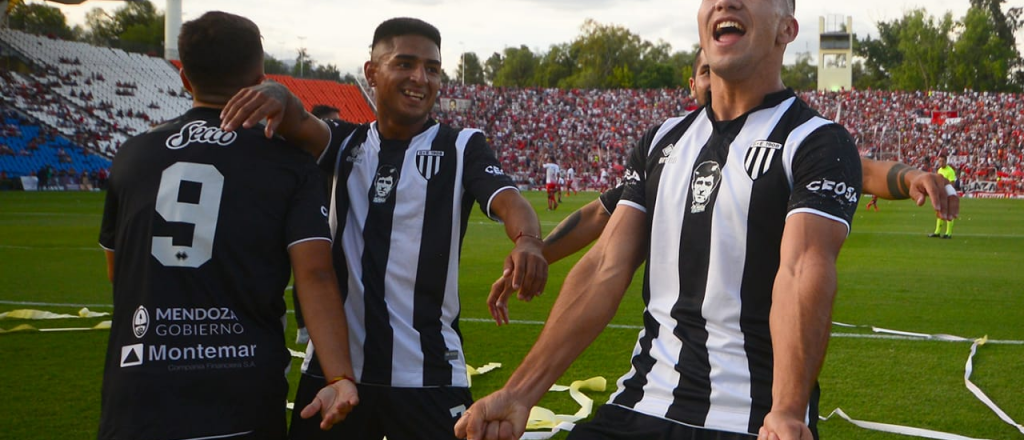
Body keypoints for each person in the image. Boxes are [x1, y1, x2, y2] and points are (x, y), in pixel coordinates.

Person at [459, 1, 862, 439]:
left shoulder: (815, 140)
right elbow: (604, 268)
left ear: (786, 30)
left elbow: (802, 271)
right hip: (642, 403)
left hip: (752, 420)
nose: (725, 2)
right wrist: (519, 393)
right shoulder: (661, 141)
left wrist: (787, 410)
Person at [219, 17, 548, 440]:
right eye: (405, 64)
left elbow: (510, 201)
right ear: (371, 72)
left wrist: (528, 241)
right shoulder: (342, 143)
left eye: (432, 68)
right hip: (334, 374)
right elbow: (296, 119)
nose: (420, 78)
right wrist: (278, 91)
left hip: (428, 372)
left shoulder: (461, 146)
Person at [488, 47, 960, 321]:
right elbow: (600, 213)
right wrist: (536, 256)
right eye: (704, 72)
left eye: (719, 70)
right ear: (692, 84)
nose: (713, 79)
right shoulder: (667, 148)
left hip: (754, 350)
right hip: (669, 362)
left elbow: (863, 169)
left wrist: (911, 176)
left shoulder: (783, 136)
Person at [97, 11, 358, 440]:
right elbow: (314, 274)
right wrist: (338, 376)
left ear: (185, 77)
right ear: (259, 78)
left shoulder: (133, 154)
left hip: (140, 388)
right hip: (241, 386)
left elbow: (116, 270)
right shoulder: (288, 161)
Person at [293, 103, 345, 346]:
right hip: (311, 220)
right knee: (308, 269)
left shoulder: (340, 155)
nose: (339, 126)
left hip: (333, 221)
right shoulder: (305, 160)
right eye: (334, 122)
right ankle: (303, 326)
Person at [930, 155, 957, 239]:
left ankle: (948, 233)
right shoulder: (939, 170)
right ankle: (937, 232)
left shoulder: (950, 171)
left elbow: (952, 183)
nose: (940, 163)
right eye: (939, 161)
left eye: (942, 161)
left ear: (946, 161)